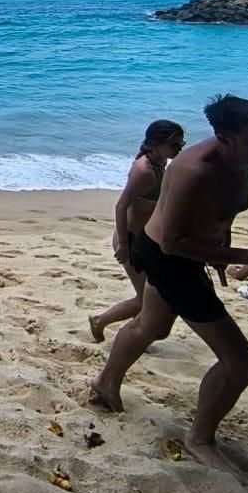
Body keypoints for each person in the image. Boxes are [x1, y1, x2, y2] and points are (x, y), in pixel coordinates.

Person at [89, 94, 248, 475]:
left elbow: (223, 212)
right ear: (224, 136)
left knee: (151, 326)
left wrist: (221, 249)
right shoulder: (194, 170)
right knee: (241, 366)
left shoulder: (242, 159)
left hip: (188, 254)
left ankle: (105, 384)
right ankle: (199, 439)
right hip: (170, 260)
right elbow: (172, 242)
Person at [88, 120, 186, 342]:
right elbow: (121, 206)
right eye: (174, 144)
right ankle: (101, 322)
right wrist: (123, 245)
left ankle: (136, 334)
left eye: (181, 144)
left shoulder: (161, 164)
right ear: (156, 144)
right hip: (131, 240)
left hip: (149, 240)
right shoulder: (144, 171)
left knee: (155, 297)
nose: (179, 149)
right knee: (144, 299)